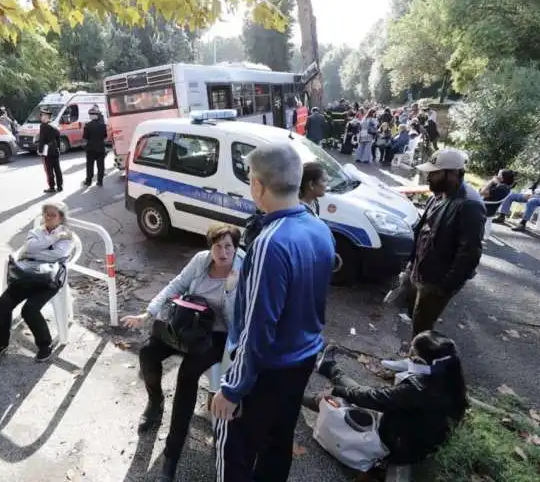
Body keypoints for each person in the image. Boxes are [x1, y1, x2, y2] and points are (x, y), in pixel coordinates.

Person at [211, 144, 335, 482]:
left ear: (258, 185)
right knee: (277, 441)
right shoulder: (319, 227)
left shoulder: (270, 242)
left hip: (268, 369)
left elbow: (257, 327)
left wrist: (232, 388)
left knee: (232, 447)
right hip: (302, 359)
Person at [122, 224, 244, 482]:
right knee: (147, 353)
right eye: (217, 246)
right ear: (210, 246)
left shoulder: (241, 270)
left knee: (187, 376)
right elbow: (177, 284)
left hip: (216, 334)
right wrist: (149, 312)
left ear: (236, 247)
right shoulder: (201, 260)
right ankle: (155, 402)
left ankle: (172, 455)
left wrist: (231, 290)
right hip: (187, 322)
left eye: (228, 247)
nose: (222, 252)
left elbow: (236, 323)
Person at [382, 150, 485, 370]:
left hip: (436, 281)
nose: (428, 178)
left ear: (452, 174)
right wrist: (410, 264)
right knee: (413, 314)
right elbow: (423, 232)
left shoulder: (469, 205)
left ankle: (417, 367)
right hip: (420, 270)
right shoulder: (439, 194)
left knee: (423, 324)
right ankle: (413, 357)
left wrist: (445, 286)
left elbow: (470, 254)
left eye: (434, 174)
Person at [304, 331, 468, 466]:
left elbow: (375, 399)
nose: (408, 358)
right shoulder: (450, 381)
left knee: (333, 404)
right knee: (359, 392)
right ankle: (329, 368)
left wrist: (335, 391)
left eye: (412, 355)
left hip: (395, 443)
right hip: (406, 431)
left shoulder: (419, 390)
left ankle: (293, 396)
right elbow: (381, 397)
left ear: (422, 361)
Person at [0, 202, 74, 364]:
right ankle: (0, 344)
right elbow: (31, 247)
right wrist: (53, 239)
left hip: (49, 278)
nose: (48, 217)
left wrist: (38, 251)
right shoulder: (36, 231)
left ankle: (45, 345)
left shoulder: (67, 235)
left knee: (29, 310)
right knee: (2, 304)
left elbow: (59, 254)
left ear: (61, 218)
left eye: (53, 215)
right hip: (26, 274)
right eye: (46, 214)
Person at [492, 159, 540, 232]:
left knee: (532, 201)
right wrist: (529, 191)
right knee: (510, 195)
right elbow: (534, 185)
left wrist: (536, 196)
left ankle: (523, 224)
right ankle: (501, 217)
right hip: (532, 194)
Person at [38, 108, 63, 193]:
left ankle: (52, 187)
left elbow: (41, 140)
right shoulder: (54, 127)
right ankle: (60, 186)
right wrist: (58, 148)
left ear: (46, 117)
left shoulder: (43, 126)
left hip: (47, 151)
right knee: (57, 169)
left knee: (49, 170)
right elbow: (58, 139)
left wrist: (40, 150)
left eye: (42, 116)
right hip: (55, 150)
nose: (41, 117)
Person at [82, 105, 108, 187]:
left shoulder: (87, 125)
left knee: (90, 166)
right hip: (100, 148)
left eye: (90, 115)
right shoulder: (103, 125)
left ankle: (88, 181)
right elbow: (105, 136)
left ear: (91, 116)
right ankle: (100, 182)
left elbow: (85, 137)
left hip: (90, 149)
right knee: (100, 166)